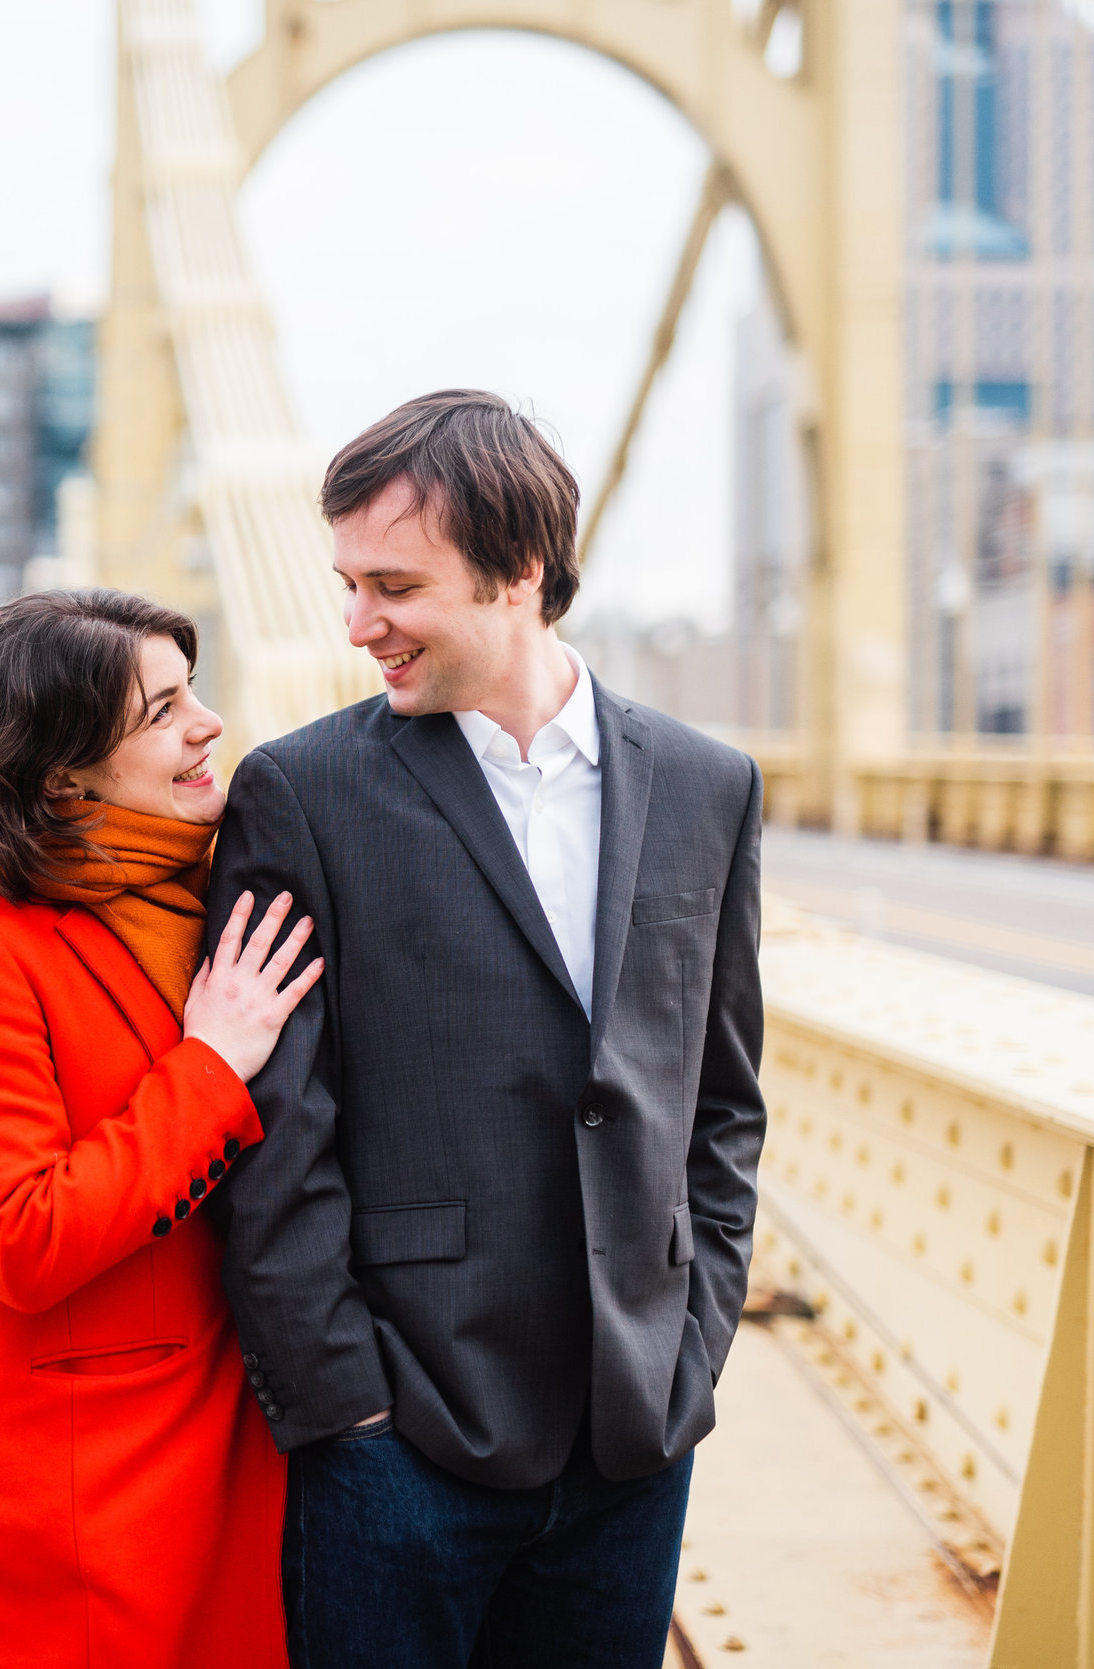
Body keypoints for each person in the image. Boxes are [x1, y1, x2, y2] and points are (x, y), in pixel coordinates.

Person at [207, 390, 767, 1667]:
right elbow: (276, 1132)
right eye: (347, 584)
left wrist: (690, 1346)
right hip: (398, 1443)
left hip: (633, 1436)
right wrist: (342, 1406)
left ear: (518, 572)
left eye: (392, 586)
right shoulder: (300, 793)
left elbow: (721, 1104)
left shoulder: (704, 785)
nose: (357, 626)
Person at [0, 588, 323, 1668]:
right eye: (162, 711)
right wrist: (211, 1066)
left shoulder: (240, 893)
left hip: (244, 1451)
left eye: (195, 692)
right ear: (60, 775)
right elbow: (16, 1238)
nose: (209, 724)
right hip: (78, 1494)